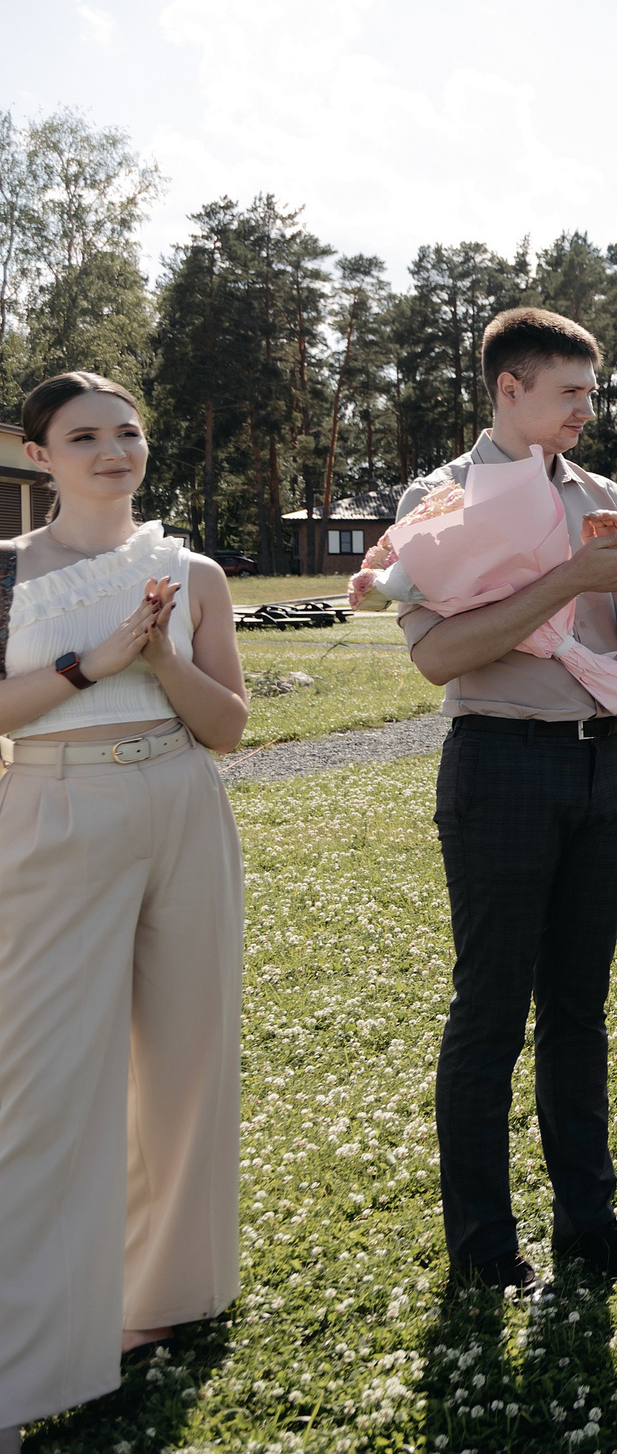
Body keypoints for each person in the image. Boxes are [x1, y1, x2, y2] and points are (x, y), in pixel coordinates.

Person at [399, 309, 617, 1291]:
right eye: (569, 392)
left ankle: (589, 1230)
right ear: (507, 387)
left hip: (605, 764)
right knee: (490, 1011)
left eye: (591, 393)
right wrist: (570, 574)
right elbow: (439, 656)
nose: (586, 411)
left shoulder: (608, 496)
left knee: (580, 1004)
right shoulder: (438, 501)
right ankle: (483, 1250)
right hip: (503, 763)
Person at [0, 373, 248, 1446]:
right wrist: (89, 660)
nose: (115, 449)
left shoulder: (191, 570)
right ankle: (21, 1361)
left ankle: (163, 1296)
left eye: (129, 430)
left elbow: (228, 724)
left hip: (182, 802)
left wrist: (156, 656)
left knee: (190, 1054)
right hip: (57, 807)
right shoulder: (8, 570)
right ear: (36, 451)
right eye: (84, 434)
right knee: (46, 1081)